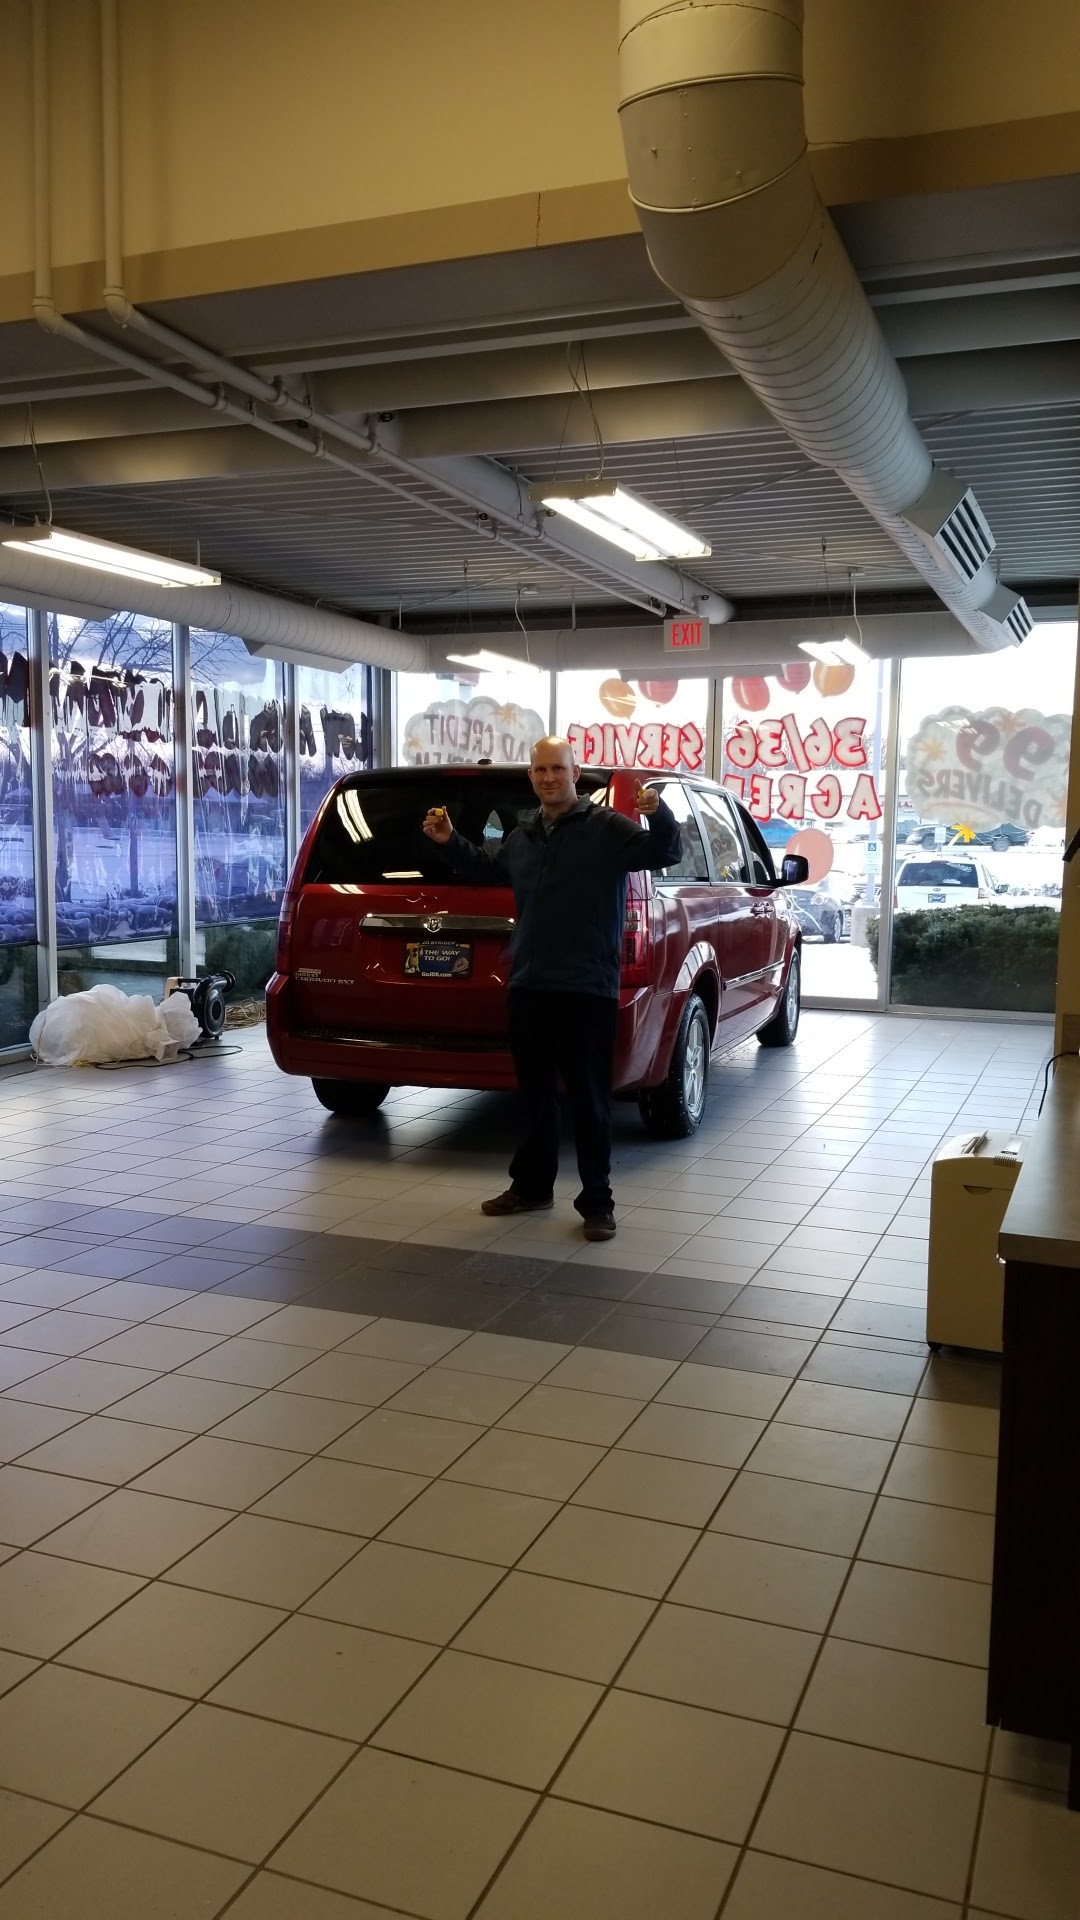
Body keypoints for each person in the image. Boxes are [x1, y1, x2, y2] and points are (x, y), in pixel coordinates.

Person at [423, 736, 681, 1239]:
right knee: (536, 1096)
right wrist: (450, 841)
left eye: (557, 769)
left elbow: (663, 851)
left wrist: (661, 815)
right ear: (531, 776)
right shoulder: (523, 836)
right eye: (540, 770)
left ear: (574, 773)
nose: (548, 777)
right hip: (529, 985)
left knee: (589, 1101)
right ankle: (532, 1187)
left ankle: (598, 1202)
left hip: (586, 988)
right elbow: (490, 870)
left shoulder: (606, 828)